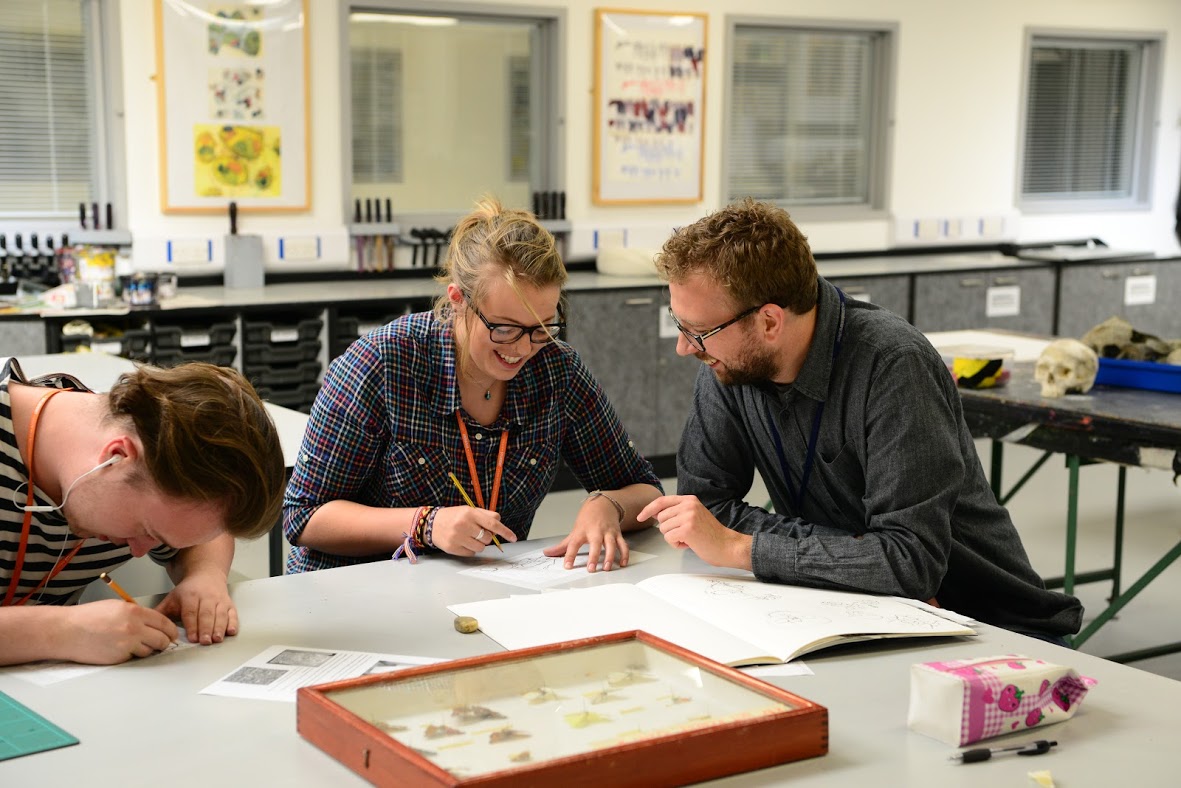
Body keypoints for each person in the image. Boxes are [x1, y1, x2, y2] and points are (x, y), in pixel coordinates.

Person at [638, 198, 1083, 641]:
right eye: (680, 325)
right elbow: (702, 514)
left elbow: (909, 563)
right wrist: (857, 563)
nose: (684, 346)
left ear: (770, 322)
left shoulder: (893, 365)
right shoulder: (726, 363)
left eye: (697, 330)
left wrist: (743, 548)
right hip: (854, 607)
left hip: (983, 623)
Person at [284, 198, 662, 574]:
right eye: (504, 327)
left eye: (542, 327)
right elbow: (303, 517)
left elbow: (646, 494)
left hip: (480, 590)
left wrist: (606, 505)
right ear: (458, 301)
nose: (521, 348)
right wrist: (425, 525)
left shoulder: (556, 371)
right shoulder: (382, 362)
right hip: (356, 589)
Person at [1, 358, 285, 666]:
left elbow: (197, 530)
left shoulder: (129, 472)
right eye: (147, 531)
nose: (139, 552)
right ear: (116, 457)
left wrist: (205, 575)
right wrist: (62, 631)